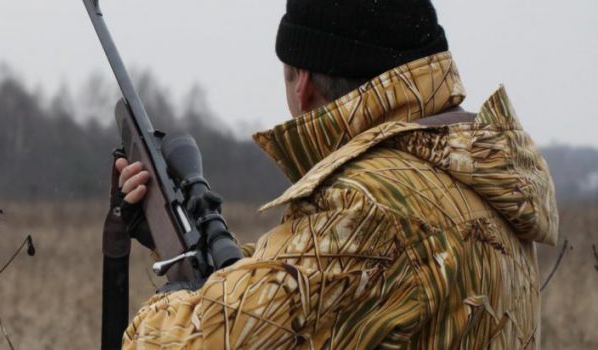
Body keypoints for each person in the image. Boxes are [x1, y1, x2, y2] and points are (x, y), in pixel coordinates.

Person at [111, 0, 558, 348]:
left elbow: (184, 344)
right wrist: (180, 244)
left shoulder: (371, 206)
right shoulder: (473, 176)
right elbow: (344, 294)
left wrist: (179, 295)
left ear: (302, 83)